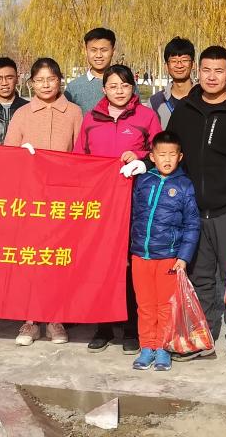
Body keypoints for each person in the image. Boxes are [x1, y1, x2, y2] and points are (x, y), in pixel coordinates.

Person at [126, 45, 226, 369]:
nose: (212, 77)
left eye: (219, 71)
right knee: (200, 278)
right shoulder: (186, 109)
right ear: (198, 72)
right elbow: (169, 149)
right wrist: (146, 163)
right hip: (192, 210)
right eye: (206, 70)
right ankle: (202, 336)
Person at [75, 64, 162, 354]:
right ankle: (103, 326)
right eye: (113, 86)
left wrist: (140, 157)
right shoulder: (91, 119)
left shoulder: (146, 116)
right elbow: (79, 158)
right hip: (99, 205)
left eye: (125, 86)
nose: (119, 91)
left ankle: (131, 327)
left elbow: (160, 154)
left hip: (135, 202)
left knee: (131, 267)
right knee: (101, 265)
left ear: (132, 87)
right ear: (104, 89)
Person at [5, 58, 84, 347]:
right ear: (31, 84)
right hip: (30, 199)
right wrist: (21, 156)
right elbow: (8, 154)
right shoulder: (23, 114)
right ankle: (30, 319)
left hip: (62, 199)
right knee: (30, 259)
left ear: (60, 80)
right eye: (39, 80)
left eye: (51, 79)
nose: (46, 84)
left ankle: (55, 318)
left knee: (57, 259)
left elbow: (82, 153)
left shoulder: (74, 112)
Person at [129, 131, 200, 372]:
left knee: (165, 305)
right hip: (140, 255)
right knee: (145, 305)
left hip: (168, 257)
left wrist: (184, 257)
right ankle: (146, 347)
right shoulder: (143, 180)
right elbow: (130, 214)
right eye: (162, 154)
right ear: (152, 156)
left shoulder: (184, 185)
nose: (167, 159)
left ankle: (162, 348)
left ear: (180, 157)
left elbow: (192, 224)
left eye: (172, 154)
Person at [64, 27, 116, 114]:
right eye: (93, 50)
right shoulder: (73, 87)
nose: (98, 55)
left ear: (113, 51)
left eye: (104, 50)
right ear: (85, 51)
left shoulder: (126, 84)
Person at [149, 37, 196, 128]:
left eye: (184, 60)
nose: (179, 65)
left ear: (193, 65)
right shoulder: (155, 102)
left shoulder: (204, 97)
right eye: (174, 61)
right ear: (166, 66)